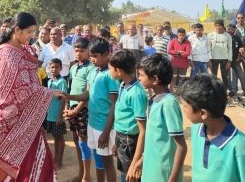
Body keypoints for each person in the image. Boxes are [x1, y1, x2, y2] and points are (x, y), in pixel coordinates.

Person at [0, 12, 65, 181]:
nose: (32, 36)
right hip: (9, 118)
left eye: (33, 32)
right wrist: (48, 92)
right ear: (17, 30)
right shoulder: (7, 54)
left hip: (27, 117)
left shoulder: (24, 50)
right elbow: (18, 88)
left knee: (35, 160)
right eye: (29, 32)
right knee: (14, 164)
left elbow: (29, 82)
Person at [179, 74, 245, 181]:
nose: (183, 109)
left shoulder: (240, 147)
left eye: (185, 106)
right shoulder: (197, 130)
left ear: (203, 113)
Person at [67, 38, 119, 182]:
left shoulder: (110, 75)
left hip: (104, 126)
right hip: (92, 123)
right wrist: (67, 96)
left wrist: (106, 131)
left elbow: (114, 104)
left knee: (108, 162)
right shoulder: (94, 71)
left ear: (107, 54)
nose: (92, 59)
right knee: (98, 160)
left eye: (95, 56)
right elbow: (87, 95)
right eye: (91, 56)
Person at [137, 54, 187, 182]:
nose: (139, 78)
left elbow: (181, 146)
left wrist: (172, 179)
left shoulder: (169, 104)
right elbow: (155, 139)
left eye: (141, 75)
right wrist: (142, 160)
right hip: (151, 168)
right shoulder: (154, 99)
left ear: (155, 79)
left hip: (163, 173)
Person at [109, 49, 147, 182]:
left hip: (130, 141)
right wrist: (116, 143)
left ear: (118, 70)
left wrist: (136, 161)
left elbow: (142, 130)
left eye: (110, 68)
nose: (109, 71)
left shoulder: (136, 92)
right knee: (125, 173)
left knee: (132, 175)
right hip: (121, 138)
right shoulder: (122, 85)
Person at [64, 38, 96, 182]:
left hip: (83, 109)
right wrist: (67, 108)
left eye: (82, 51)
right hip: (72, 108)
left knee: (83, 142)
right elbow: (70, 89)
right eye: (76, 51)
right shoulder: (73, 67)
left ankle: (86, 176)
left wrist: (76, 110)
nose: (78, 53)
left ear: (88, 52)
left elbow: (88, 94)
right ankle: (81, 173)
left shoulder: (91, 68)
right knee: (77, 141)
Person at [45, 58, 68, 169]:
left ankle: (59, 161)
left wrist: (60, 116)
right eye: (52, 67)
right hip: (51, 114)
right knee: (55, 137)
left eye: (56, 67)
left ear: (61, 68)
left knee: (60, 137)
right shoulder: (50, 81)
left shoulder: (62, 82)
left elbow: (63, 99)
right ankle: (55, 158)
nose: (54, 69)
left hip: (57, 115)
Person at [208, 19, 233, 96]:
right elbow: (208, 48)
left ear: (223, 26)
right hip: (213, 59)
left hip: (224, 59)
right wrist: (209, 60)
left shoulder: (227, 36)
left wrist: (229, 61)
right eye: (216, 26)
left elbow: (230, 48)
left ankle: (224, 91)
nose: (218, 27)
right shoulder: (210, 35)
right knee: (213, 76)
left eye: (219, 25)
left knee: (224, 76)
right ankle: (213, 91)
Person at [226, 24, 245, 99]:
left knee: (241, 76)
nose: (230, 31)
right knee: (227, 77)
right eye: (228, 29)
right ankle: (231, 92)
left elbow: (241, 47)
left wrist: (239, 57)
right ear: (226, 29)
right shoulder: (224, 37)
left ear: (235, 30)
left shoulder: (237, 38)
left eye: (232, 29)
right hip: (226, 61)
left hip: (235, 60)